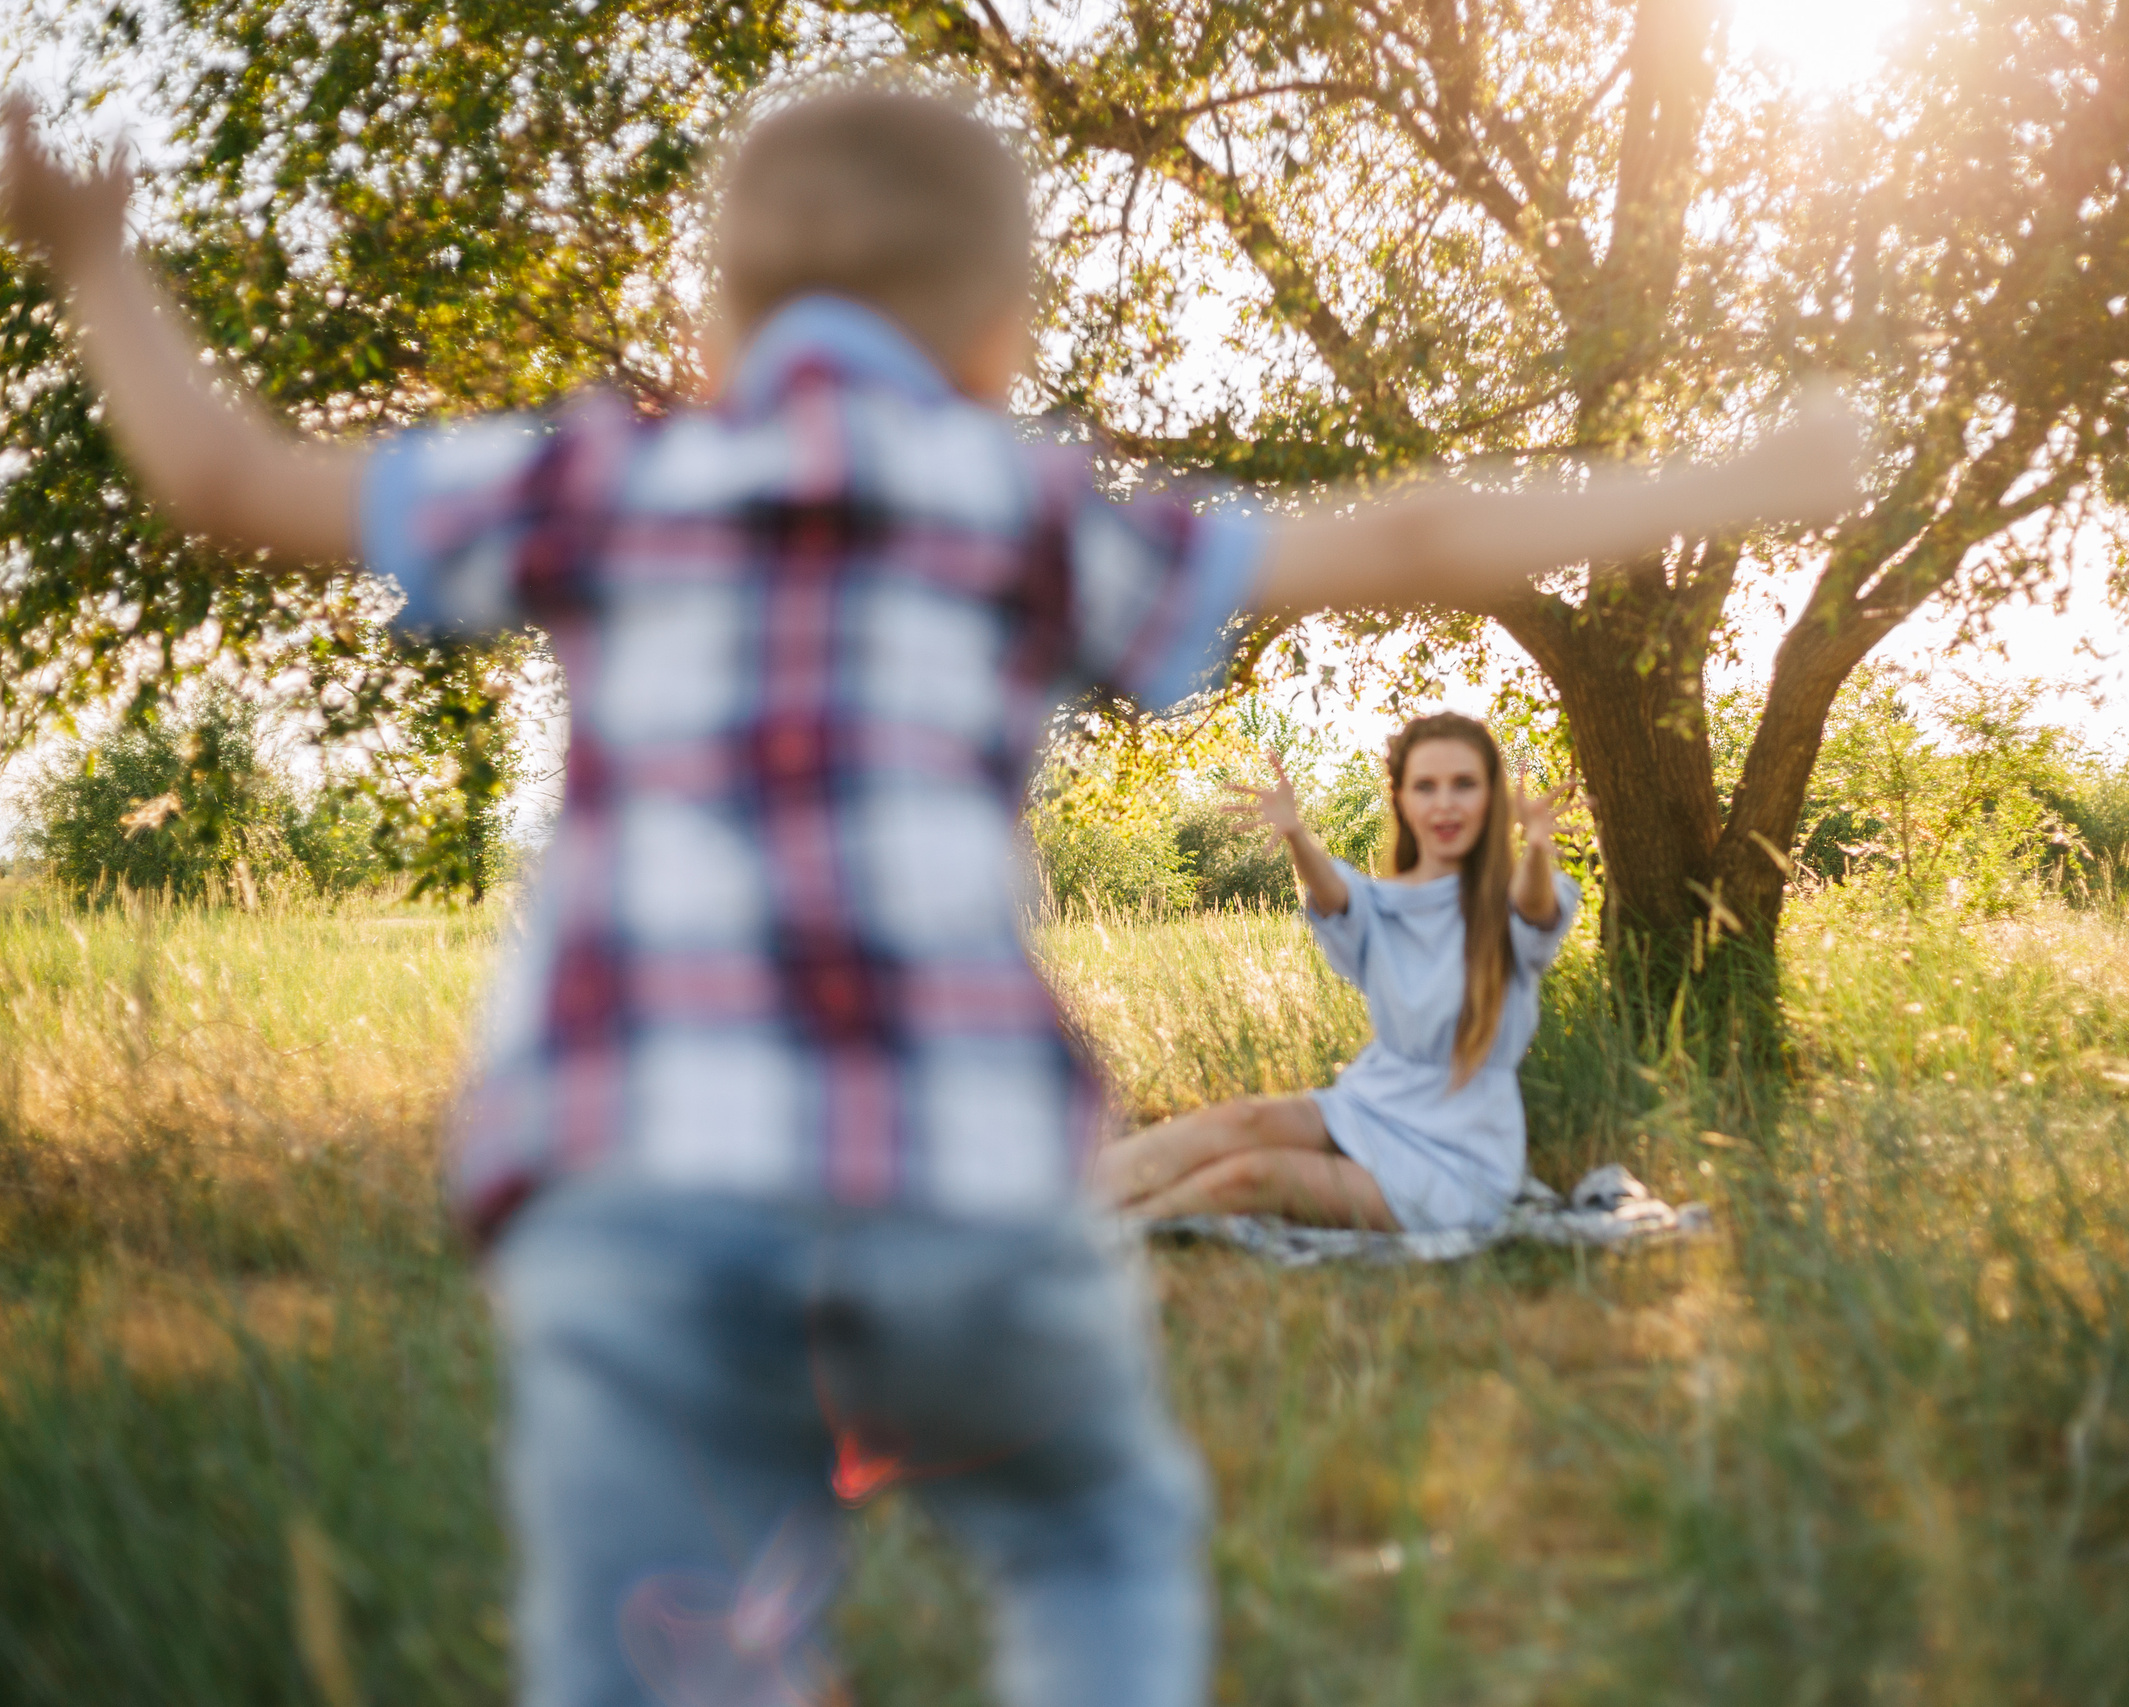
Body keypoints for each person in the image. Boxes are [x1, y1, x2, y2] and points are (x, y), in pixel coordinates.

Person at [0, 83, 1866, 1707]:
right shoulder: (1022, 505)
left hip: (634, 1197)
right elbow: (1408, 535)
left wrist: (90, 250)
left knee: (660, 1640)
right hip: (954, 1191)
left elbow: (224, 476)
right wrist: (1729, 474)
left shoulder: (592, 477)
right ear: (997, 334)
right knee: (1099, 1535)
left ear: (714, 321)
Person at [1093, 713, 1577, 1233]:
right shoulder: (1382, 904)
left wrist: (1534, 849)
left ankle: (1104, 1236)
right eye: (1425, 786)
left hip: (1458, 1158)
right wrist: (1296, 834)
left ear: (1491, 797)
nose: (1444, 804)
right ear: (1402, 801)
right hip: (1375, 1102)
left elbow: (1535, 912)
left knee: (1252, 1176)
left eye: (1464, 784)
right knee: (1241, 1120)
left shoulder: (1514, 900)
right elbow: (1337, 895)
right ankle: (1053, 1202)